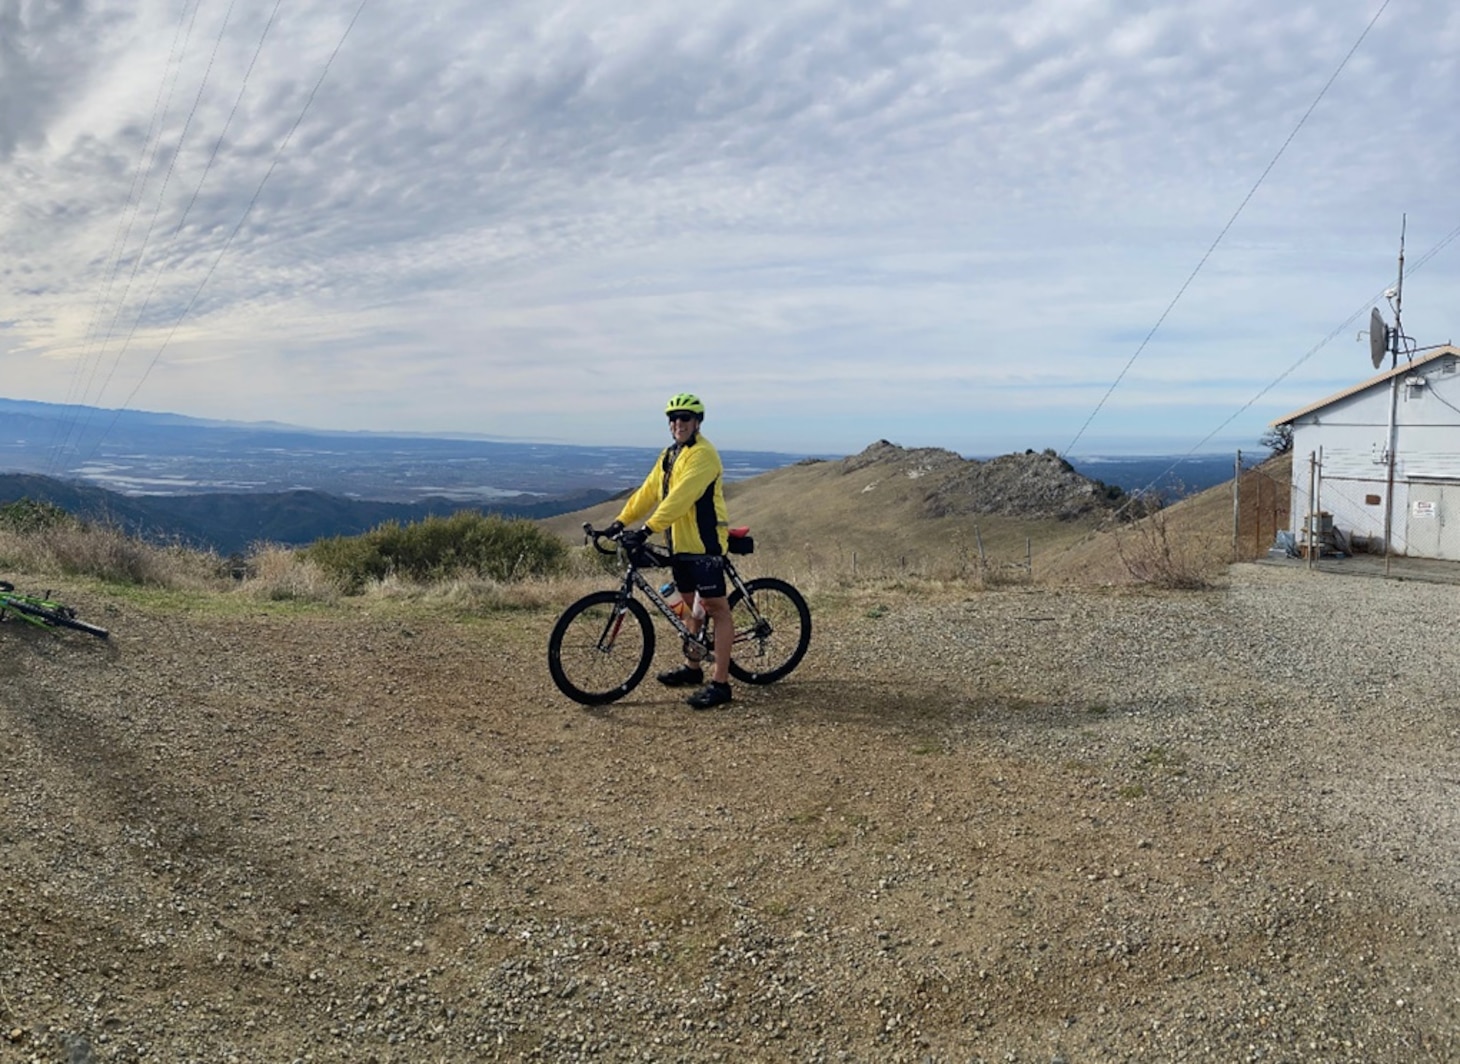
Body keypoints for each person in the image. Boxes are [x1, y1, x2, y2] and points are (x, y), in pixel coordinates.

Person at [606, 393, 735, 710]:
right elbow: (649, 490)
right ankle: (693, 669)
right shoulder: (670, 454)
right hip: (679, 544)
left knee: (716, 608)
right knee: (690, 607)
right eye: (673, 419)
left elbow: (680, 498)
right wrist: (619, 521)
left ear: (698, 422)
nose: (678, 423)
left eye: (685, 418)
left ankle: (721, 683)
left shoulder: (704, 455)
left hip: (705, 546)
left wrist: (647, 529)